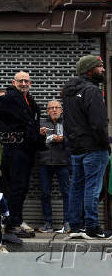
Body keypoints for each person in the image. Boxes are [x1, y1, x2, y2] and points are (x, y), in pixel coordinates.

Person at [0, 71, 44, 237]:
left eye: (26, 81)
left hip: (27, 149)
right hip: (15, 150)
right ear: (14, 82)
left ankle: (16, 220)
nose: (24, 83)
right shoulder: (9, 97)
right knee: (15, 188)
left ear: (30, 83)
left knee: (22, 187)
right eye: (20, 81)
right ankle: (12, 223)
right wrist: (7, 132)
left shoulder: (29, 99)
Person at [62, 55, 110, 239]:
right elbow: (98, 124)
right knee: (92, 187)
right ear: (89, 69)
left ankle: (75, 226)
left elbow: (68, 121)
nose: (103, 69)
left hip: (76, 148)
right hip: (93, 148)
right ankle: (92, 227)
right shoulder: (92, 91)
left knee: (77, 187)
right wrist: (105, 145)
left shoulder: (68, 91)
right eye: (100, 66)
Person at [37, 100, 70, 233]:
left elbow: (75, 139)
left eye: (57, 107)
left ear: (61, 110)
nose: (54, 110)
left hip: (63, 162)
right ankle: (48, 223)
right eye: (51, 108)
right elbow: (34, 142)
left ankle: (67, 222)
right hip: (44, 163)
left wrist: (63, 139)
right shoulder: (41, 123)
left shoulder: (68, 123)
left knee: (67, 193)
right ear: (47, 111)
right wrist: (39, 135)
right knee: (45, 193)